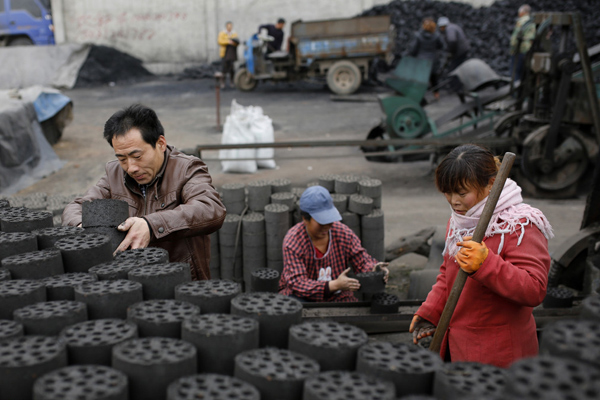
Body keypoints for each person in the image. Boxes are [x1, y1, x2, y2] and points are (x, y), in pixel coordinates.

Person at [409, 144, 553, 368]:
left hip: (499, 354)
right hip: (457, 345)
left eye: (461, 193)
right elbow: (448, 274)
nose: (453, 201)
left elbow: (534, 289)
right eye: (448, 192)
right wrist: (431, 312)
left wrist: (486, 264)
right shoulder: (460, 221)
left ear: (491, 184)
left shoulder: (519, 225)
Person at [62, 104, 226, 281]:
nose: (131, 168)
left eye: (137, 156)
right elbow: (76, 207)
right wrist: (82, 228)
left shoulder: (186, 169)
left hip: (180, 279)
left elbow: (210, 209)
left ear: (160, 144)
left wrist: (151, 225)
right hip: (132, 281)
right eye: (122, 159)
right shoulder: (114, 174)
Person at [279, 185, 389, 302]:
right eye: (321, 222)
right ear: (305, 219)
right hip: (301, 297)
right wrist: (334, 285)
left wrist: (375, 269)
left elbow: (361, 260)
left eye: (329, 220)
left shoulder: (342, 232)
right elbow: (298, 284)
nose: (327, 226)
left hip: (338, 295)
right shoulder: (293, 241)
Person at [408, 17, 445, 101]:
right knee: (434, 79)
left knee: (421, 81)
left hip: (421, 63)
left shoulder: (418, 36)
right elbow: (442, 46)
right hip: (433, 62)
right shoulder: (437, 36)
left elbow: (413, 49)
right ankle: (436, 95)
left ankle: (420, 97)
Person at [509, 4, 536, 83]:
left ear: (523, 12)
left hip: (520, 50)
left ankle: (515, 93)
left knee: (515, 73)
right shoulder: (533, 21)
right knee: (524, 73)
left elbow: (515, 38)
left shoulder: (522, 21)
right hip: (528, 50)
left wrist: (513, 50)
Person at [217, 21, 239, 89]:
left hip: (231, 54)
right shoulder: (222, 33)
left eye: (231, 26)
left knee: (232, 68)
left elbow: (237, 42)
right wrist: (228, 42)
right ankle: (223, 83)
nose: (230, 27)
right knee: (224, 69)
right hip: (224, 54)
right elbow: (220, 41)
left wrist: (233, 42)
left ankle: (231, 82)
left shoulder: (234, 34)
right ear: (226, 27)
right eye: (228, 26)